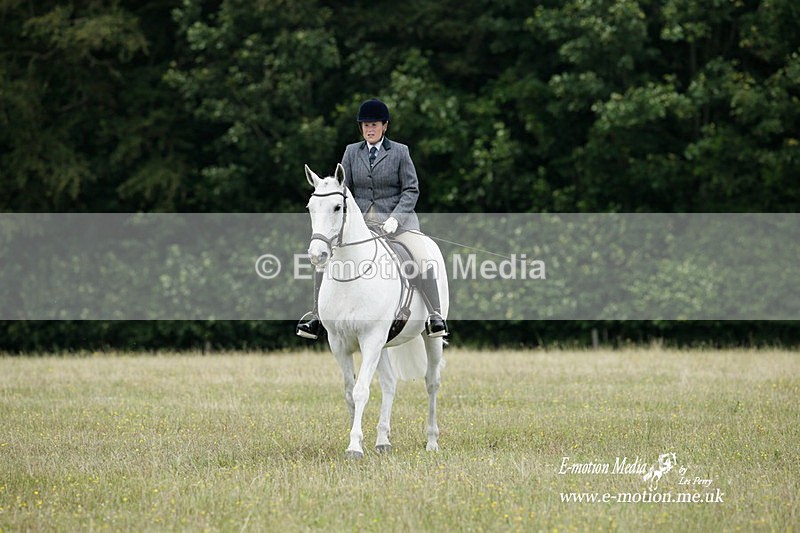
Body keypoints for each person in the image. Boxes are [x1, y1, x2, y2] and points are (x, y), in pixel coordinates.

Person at [297, 98, 448, 340]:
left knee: (420, 254)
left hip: (397, 223)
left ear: (384, 126)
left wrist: (396, 219)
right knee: (324, 258)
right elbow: (342, 189)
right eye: (365, 125)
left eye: (374, 125)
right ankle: (316, 316)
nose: (369, 129)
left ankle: (435, 315)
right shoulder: (350, 152)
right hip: (361, 227)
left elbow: (411, 189)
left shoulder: (400, 152)